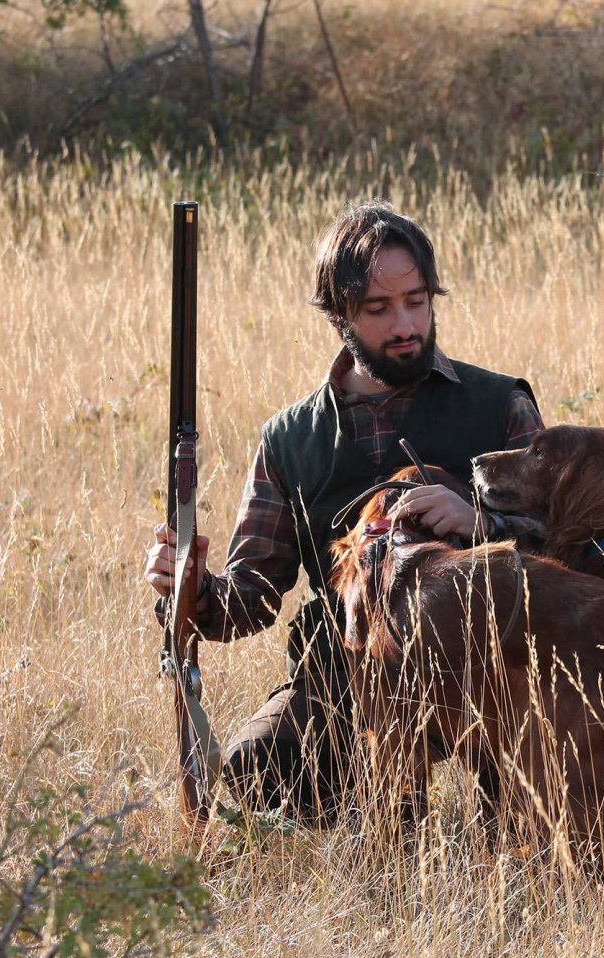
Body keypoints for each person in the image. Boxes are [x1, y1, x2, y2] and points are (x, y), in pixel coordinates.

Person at [144, 201, 543, 822]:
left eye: (416, 300)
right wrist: (187, 588)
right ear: (339, 315)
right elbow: (247, 601)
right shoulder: (290, 439)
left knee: (540, 817)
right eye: (379, 309)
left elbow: (571, 550)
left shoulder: (499, 406)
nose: (406, 323)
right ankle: (378, 825)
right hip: (349, 675)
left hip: (493, 674)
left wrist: (481, 523)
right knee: (259, 772)